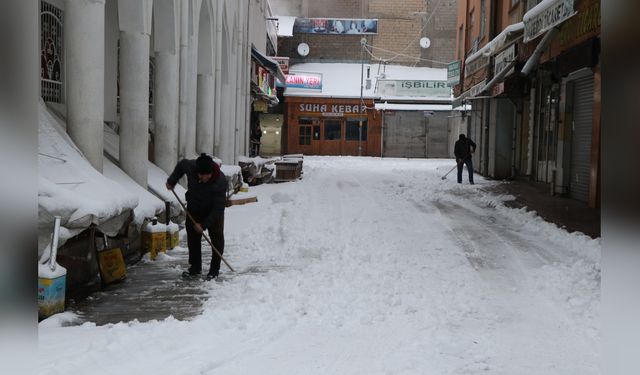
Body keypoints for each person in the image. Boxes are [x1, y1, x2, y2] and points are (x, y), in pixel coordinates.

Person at [166, 153, 227, 280]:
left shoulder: (220, 181)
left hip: (213, 211)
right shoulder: (191, 166)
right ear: (197, 171)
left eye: (207, 175)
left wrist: (204, 225)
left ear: (211, 172)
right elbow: (181, 165)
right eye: (201, 175)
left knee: (217, 239)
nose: (204, 178)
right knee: (193, 238)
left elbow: (218, 208)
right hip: (194, 208)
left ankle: (214, 270)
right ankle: (195, 267)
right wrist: (172, 181)